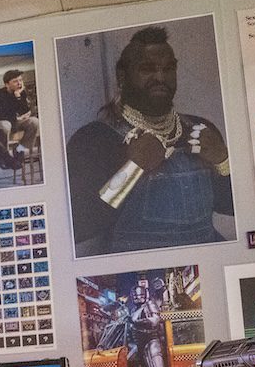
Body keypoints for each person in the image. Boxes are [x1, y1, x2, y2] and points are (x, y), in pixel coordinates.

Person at [67, 24, 234, 255]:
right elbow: (77, 228)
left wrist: (223, 160)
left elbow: (230, 207)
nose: (160, 77)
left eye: (169, 68)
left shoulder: (200, 130)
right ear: (122, 76)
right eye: (147, 69)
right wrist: (132, 169)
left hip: (206, 260)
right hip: (138, 269)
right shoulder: (94, 139)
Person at [126, 275, 181, 367]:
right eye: (135, 296)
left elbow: (155, 320)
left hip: (152, 342)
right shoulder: (134, 309)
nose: (137, 298)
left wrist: (137, 322)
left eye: (139, 295)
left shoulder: (149, 304)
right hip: (141, 345)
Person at [0, 69, 37, 166]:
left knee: (34, 122)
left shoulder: (20, 93)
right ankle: (3, 156)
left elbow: (24, 111)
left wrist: (18, 97)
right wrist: (17, 117)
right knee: (6, 124)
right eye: (15, 81)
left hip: (13, 122)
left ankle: (20, 149)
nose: (19, 83)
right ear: (7, 84)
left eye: (20, 80)